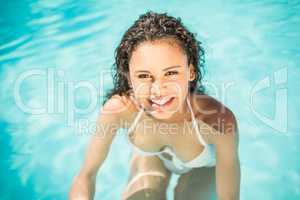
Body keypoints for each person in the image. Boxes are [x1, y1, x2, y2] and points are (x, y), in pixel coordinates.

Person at [69, 11, 240, 200]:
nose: (158, 90)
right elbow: (86, 174)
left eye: (171, 73)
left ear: (191, 72)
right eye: (143, 76)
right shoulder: (119, 110)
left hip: (202, 169)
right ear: (129, 78)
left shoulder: (215, 121)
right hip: (152, 160)